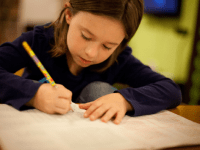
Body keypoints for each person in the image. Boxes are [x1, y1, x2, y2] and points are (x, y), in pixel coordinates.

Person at [0, 0, 182, 124]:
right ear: (69, 14)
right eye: (86, 36)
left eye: (108, 46)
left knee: (99, 91)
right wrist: (34, 94)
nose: (91, 53)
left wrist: (124, 100)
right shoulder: (37, 41)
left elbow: (170, 89)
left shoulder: (119, 58)